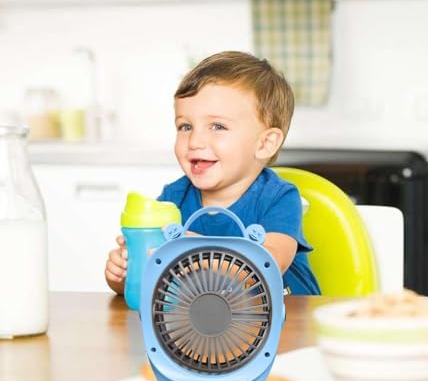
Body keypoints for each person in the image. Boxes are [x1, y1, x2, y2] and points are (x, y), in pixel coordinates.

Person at [105, 50, 319, 295]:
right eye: (185, 126)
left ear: (264, 143)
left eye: (217, 126)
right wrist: (125, 273)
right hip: (207, 316)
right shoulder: (173, 199)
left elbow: (269, 265)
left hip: (288, 313)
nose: (195, 141)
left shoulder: (279, 198)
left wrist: (198, 251)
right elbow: (149, 281)